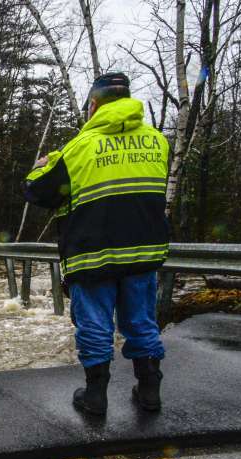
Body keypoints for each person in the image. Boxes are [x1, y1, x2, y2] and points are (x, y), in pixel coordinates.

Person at [23, 73, 169, 415]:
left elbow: (36, 191)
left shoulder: (78, 149)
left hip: (93, 255)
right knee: (142, 322)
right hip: (142, 254)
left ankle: (95, 396)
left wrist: (41, 166)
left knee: (95, 325)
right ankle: (149, 392)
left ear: (93, 105)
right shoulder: (159, 142)